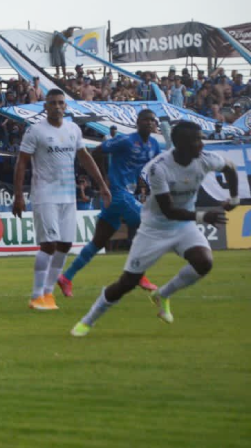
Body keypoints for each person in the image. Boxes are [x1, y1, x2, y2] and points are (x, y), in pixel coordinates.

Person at [71, 122, 239, 337]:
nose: (201, 144)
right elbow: (168, 210)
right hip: (154, 228)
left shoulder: (205, 159)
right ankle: (88, 320)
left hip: (184, 225)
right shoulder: (159, 167)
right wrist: (203, 216)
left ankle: (163, 294)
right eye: (196, 140)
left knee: (204, 262)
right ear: (180, 144)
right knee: (127, 283)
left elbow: (230, 168)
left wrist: (233, 198)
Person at [12, 89, 111, 311]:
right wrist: (19, 195)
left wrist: (102, 185)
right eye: (53, 103)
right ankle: (36, 295)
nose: (57, 106)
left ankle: (48, 293)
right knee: (49, 244)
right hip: (45, 194)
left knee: (65, 245)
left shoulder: (73, 129)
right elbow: (22, 162)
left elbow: (84, 157)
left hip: (68, 195)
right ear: (45, 107)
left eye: (60, 103)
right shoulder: (35, 131)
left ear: (65, 106)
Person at [58, 110, 161, 296]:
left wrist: (145, 188)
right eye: (146, 120)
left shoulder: (154, 145)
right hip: (118, 192)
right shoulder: (126, 140)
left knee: (98, 242)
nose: (150, 123)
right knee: (144, 223)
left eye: (153, 120)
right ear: (137, 122)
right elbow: (97, 151)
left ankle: (67, 277)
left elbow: (151, 169)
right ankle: (138, 275)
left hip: (127, 194)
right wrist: (104, 178)